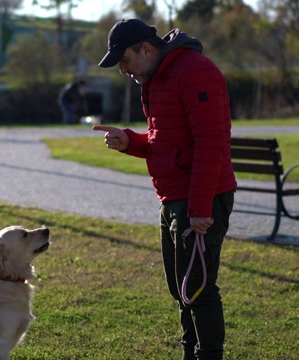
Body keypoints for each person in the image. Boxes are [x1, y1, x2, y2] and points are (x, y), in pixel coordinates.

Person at [92, 19, 236, 360]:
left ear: (145, 48)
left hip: (199, 199)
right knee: (181, 289)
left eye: (124, 60)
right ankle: (190, 352)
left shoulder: (194, 71)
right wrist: (131, 141)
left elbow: (210, 143)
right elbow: (166, 142)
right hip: (172, 198)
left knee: (198, 288)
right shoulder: (157, 78)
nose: (123, 70)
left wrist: (200, 208)